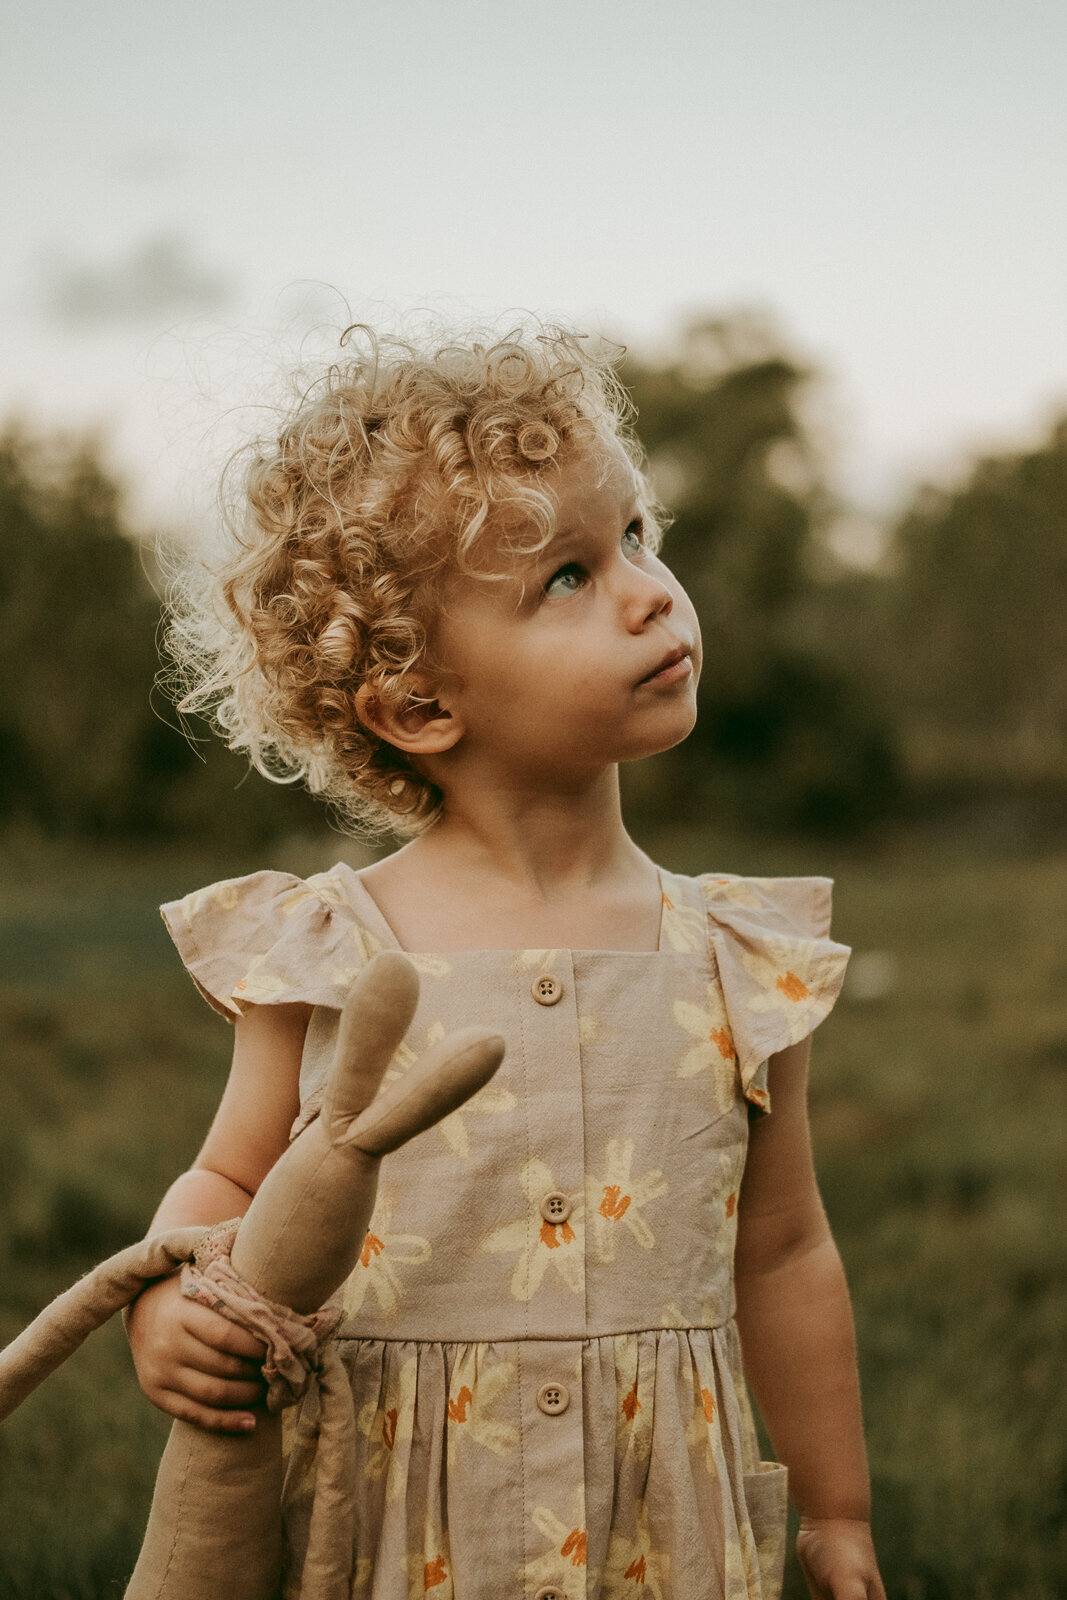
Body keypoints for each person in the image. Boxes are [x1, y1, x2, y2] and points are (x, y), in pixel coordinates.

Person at [128, 323, 886, 1600]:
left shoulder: (735, 957)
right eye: (568, 579)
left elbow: (785, 1247)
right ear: (421, 705)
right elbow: (225, 1176)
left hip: (658, 1516)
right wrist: (169, 1305)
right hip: (397, 1515)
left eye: (637, 537)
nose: (649, 590)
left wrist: (839, 1512)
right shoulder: (326, 947)